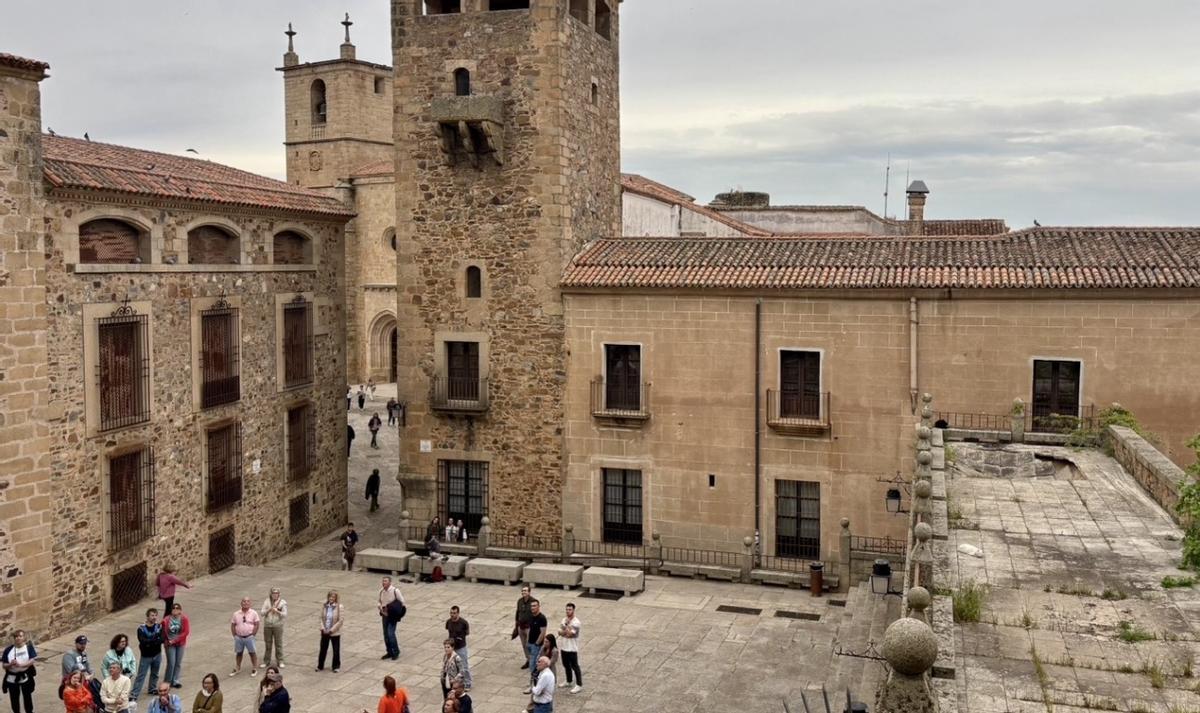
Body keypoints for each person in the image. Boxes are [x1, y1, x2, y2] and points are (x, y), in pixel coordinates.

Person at [132, 608, 163, 702]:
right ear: (147, 616)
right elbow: (143, 641)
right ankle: (134, 694)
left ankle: (152, 688)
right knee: (141, 675)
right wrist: (154, 641)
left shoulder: (159, 627)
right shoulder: (141, 629)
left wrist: (150, 642)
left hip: (157, 654)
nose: (154, 617)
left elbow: (162, 639)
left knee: (155, 673)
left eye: (155, 615)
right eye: (152, 615)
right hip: (146, 656)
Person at [2, 630, 37, 713]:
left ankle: (29, 711)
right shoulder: (8, 650)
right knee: (14, 698)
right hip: (12, 678)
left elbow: (32, 660)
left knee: (27, 696)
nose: (18, 638)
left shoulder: (28, 647)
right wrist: (10, 664)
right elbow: (4, 665)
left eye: (20, 636)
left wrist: (21, 665)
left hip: (25, 676)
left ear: (24, 637)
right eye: (16, 637)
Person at [229, 596, 261, 677]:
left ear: (250, 603)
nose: (245, 603)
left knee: (252, 653)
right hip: (239, 637)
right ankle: (237, 667)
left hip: (249, 636)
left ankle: (254, 668)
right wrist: (234, 635)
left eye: (247, 601)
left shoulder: (253, 613)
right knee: (239, 653)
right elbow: (233, 625)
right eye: (244, 601)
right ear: (241, 603)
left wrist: (253, 634)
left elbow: (257, 624)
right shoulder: (236, 614)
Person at [163, 603, 190, 689]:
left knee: (178, 663)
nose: (175, 610)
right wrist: (167, 641)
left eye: (177, 609)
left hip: (180, 643)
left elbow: (186, 632)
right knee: (171, 662)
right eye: (173, 609)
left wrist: (175, 640)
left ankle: (175, 680)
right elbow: (163, 631)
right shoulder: (166, 620)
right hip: (170, 644)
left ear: (180, 610)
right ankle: (167, 681)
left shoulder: (184, 619)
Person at [444, 606, 472, 690]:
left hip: (461, 647)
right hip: (452, 647)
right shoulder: (448, 622)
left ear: (458, 613)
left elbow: (467, 633)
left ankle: (467, 683)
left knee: (464, 666)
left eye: (454, 613)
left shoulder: (463, 623)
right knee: (453, 666)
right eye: (451, 613)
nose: (452, 615)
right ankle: (457, 682)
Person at [316, 590, 344, 673]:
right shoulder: (324, 606)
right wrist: (322, 628)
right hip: (325, 630)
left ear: (336, 598)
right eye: (330, 597)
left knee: (336, 650)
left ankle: (336, 666)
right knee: (323, 649)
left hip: (334, 632)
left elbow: (341, 620)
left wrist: (332, 630)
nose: (331, 598)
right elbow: (321, 617)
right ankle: (320, 666)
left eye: (333, 597)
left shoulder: (339, 607)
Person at [260, 589, 287, 670]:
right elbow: (262, 613)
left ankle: (280, 661)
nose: (275, 595)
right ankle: (266, 661)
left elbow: (285, 614)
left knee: (278, 644)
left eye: (276, 593)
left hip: (277, 625)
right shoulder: (267, 601)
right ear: (271, 594)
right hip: (268, 625)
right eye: (273, 593)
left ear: (279, 594)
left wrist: (277, 611)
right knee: (268, 644)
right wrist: (269, 610)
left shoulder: (282, 603)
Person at [377, 577, 403, 660]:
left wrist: (395, 610)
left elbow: (402, 601)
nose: (383, 582)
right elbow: (379, 601)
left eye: (385, 581)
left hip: (392, 615)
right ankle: (389, 652)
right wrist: (380, 606)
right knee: (385, 635)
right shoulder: (381, 591)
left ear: (390, 582)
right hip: (384, 614)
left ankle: (396, 651)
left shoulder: (395, 591)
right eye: (383, 581)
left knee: (390, 633)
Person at [559, 602, 583, 694]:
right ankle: (569, 681)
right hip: (564, 647)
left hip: (572, 648)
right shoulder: (563, 619)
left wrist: (566, 626)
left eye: (569, 609)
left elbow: (570, 634)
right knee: (566, 665)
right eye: (567, 609)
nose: (567, 611)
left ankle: (579, 684)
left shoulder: (576, 622)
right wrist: (565, 630)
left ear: (573, 610)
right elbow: (559, 632)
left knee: (575, 666)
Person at [513, 585, 534, 669]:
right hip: (521, 626)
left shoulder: (533, 601)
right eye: (522, 591)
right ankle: (528, 659)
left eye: (525, 591)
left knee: (530, 644)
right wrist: (516, 625)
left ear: (529, 592)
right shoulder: (520, 601)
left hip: (529, 627)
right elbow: (517, 612)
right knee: (524, 645)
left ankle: (533, 660)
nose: (523, 592)